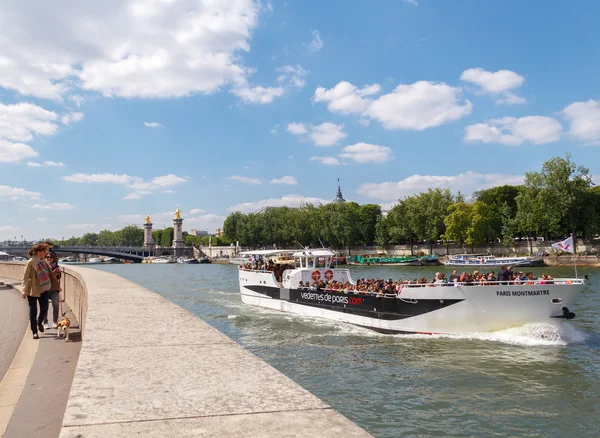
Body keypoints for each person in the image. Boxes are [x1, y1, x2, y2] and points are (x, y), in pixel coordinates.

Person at [21, 243, 60, 339]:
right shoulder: (31, 262)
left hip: (45, 288)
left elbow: (49, 275)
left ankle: (39, 322)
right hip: (33, 290)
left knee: (44, 308)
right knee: (33, 311)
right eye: (45, 251)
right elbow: (25, 277)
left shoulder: (45, 262)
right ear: (39, 252)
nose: (47, 253)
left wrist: (57, 285)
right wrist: (24, 290)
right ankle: (34, 331)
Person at [43, 251, 61, 329]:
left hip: (54, 289)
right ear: (45, 258)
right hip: (45, 289)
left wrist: (58, 273)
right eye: (47, 257)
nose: (49, 258)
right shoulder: (42, 266)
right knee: (44, 306)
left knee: (56, 304)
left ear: (54, 259)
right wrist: (53, 273)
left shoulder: (56, 266)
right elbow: (45, 277)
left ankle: (55, 321)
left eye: (51, 257)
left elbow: (58, 277)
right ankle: (45, 322)